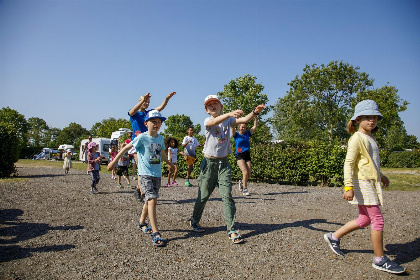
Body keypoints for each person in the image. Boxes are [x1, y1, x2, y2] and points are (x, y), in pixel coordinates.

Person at [323, 100, 405, 274]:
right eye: (367, 117)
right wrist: (348, 187)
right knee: (378, 220)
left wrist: (381, 176)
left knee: (365, 220)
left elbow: (370, 163)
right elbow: (348, 163)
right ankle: (380, 259)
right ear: (358, 119)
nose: (372, 121)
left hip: (370, 182)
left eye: (374, 117)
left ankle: (333, 236)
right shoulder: (357, 138)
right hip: (362, 183)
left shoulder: (370, 138)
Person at [189, 94, 265, 244]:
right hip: (208, 163)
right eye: (210, 105)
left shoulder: (229, 120)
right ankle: (194, 220)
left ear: (220, 106)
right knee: (203, 196)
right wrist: (229, 114)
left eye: (215, 103)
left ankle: (232, 229)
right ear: (206, 110)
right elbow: (215, 121)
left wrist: (255, 112)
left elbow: (244, 120)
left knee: (227, 196)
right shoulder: (208, 121)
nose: (213, 106)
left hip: (223, 164)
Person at [108, 110, 174, 247]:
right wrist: (113, 162)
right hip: (144, 174)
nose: (156, 124)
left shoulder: (160, 138)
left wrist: (169, 163)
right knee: (152, 200)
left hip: (157, 175)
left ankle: (142, 223)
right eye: (153, 122)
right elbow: (126, 148)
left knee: (149, 201)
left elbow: (161, 153)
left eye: (159, 122)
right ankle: (155, 232)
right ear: (146, 123)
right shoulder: (142, 137)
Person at [128, 91, 176, 201]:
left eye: (148, 102)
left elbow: (161, 107)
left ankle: (143, 189)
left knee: (153, 164)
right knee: (141, 166)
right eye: (145, 101)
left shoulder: (149, 113)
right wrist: (142, 100)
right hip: (138, 143)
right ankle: (143, 192)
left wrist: (167, 98)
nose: (147, 104)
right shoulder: (135, 114)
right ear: (140, 102)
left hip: (151, 142)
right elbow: (132, 111)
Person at [232, 116, 258, 196]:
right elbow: (232, 126)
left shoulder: (247, 134)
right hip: (240, 155)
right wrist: (234, 118)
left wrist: (255, 117)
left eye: (245, 127)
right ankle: (245, 189)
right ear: (239, 127)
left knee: (249, 174)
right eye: (242, 127)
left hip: (247, 154)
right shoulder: (236, 135)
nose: (243, 128)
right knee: (245, 172)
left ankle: (241, 182)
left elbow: (255, 126)